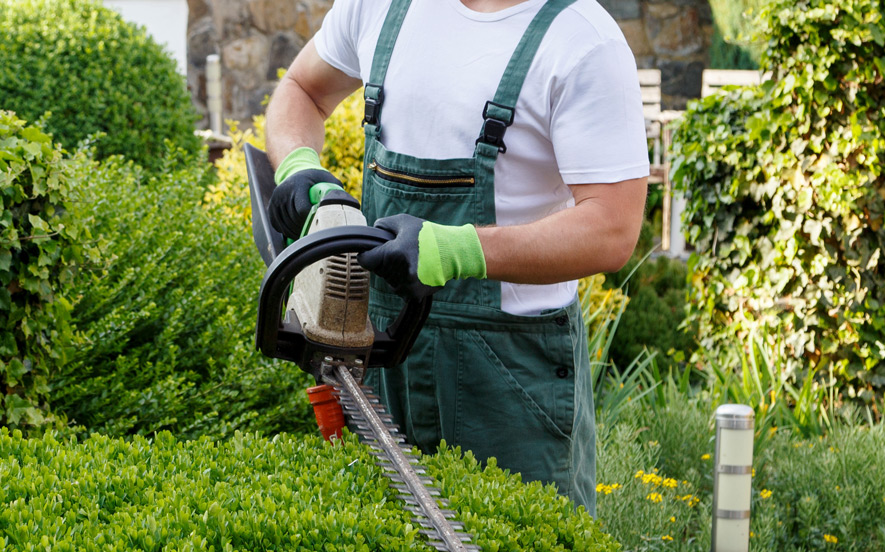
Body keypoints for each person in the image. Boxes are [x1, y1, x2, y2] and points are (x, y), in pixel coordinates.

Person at [263, 0, 648, 512]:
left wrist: (457, 248)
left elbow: (612, 227)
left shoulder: (580, 39)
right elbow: (303, 90)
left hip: (507, 379)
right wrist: (296, 163)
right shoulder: (380, 7)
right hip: (376, 351)